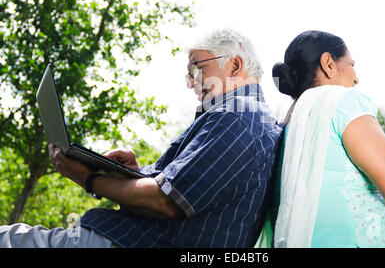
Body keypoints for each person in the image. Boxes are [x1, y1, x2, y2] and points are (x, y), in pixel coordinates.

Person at [0, 29, 284, 248]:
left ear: (234, 65)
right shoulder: (240, 117)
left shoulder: (239, 116)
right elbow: (175, 186)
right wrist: (135, 173)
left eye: (197, 68)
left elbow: (166, 201)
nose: (190, 82)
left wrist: (88, 179)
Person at [260, 30, 385, 248]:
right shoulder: (342, 100)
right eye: (351, 64)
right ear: (328, 63)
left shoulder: (286, 125)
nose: (356, 77)